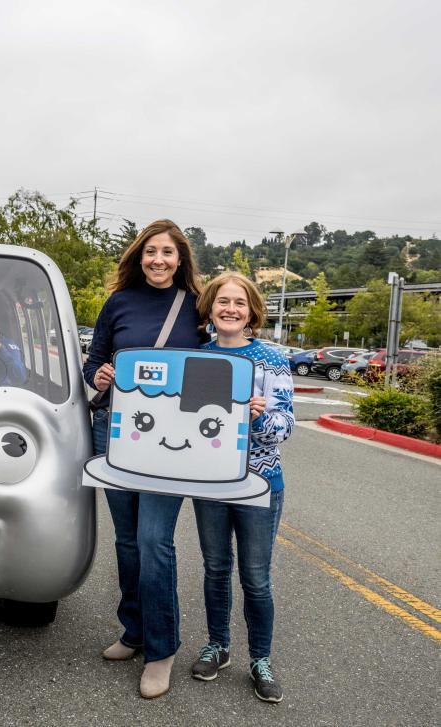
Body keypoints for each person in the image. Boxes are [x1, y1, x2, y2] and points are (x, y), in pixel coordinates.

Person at [82, 219, 203, 699]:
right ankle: (133, 629)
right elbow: (94, 361)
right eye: (151, 251)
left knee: (155, 541)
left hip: (171, 444)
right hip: (113, 433)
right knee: (129, 543)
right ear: (140, 256)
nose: (158, 260)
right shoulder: (119, 302)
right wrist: (104, 373)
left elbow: (217, 365)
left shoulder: (198, 307)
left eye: (168, 253)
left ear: (180, 260)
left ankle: (161, 648)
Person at [189, 272, 294, 703]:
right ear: (210, 307)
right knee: (215, 569)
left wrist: (259, 416)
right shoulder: (197, 358)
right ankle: (218, 646)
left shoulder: (271, 359)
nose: (230, 309)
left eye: (239, 302)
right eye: (222, 301)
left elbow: (284, 427)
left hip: (259, 484)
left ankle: (261, 659)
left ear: (252, 311)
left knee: (255, 577)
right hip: (211, 483)